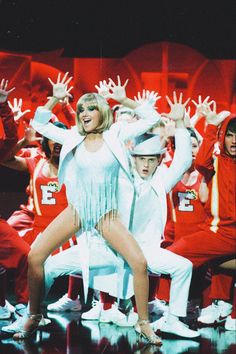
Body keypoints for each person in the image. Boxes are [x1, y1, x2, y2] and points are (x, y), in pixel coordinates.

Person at [13, 73, 163, 345]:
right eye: (80, 108)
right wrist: (56, 99)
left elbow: (152, 119)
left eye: (90, 108)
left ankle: (143, 323)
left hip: (107, 214)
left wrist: (124, 99)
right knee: (35, 256)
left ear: (102, 112)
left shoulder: (116, 133)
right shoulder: (71, 136)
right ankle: (34, 315)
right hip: (78, 211)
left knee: (139, 264)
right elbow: (38, 122)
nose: (83, 112)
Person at [167, 101, 236, 326]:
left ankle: (172, 316)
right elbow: (201, 162)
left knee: (173, 257)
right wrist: (210, 126)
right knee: (216, 261)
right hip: (216, 230)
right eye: (230, 135)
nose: (234, 141)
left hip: (225, 233)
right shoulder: (217, 161)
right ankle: (223, 304)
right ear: (223, 136)